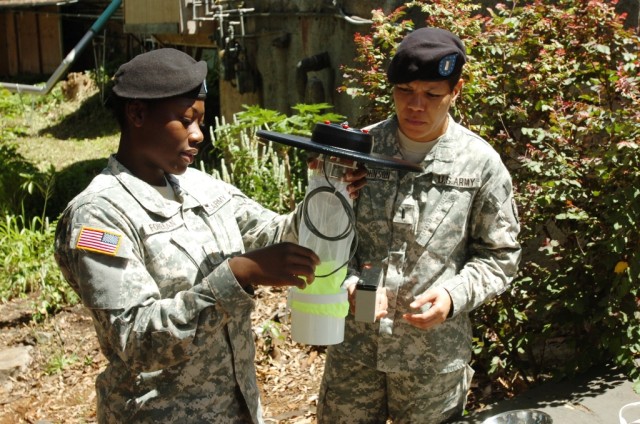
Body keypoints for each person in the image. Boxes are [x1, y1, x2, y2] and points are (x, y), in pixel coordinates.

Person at [53, 48, 366, 423]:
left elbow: (276, 234)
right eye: (185, 121)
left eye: (201, 120)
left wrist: (328, 187)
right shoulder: (99, 216)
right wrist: (238, 276)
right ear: (137, 114)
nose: (198, 134)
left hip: (237, 410)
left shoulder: (202, 187)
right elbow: (137, 340)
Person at [317, 27, 522, 423]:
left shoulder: (480, 164)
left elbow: (500, 256)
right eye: (405, 91)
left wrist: (452, 296)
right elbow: (323, 235)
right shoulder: (360, 149)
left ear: (456, 90)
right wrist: (347, 278)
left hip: (432, 359)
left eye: (432, 95)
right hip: (355, 350)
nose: (415, 105)